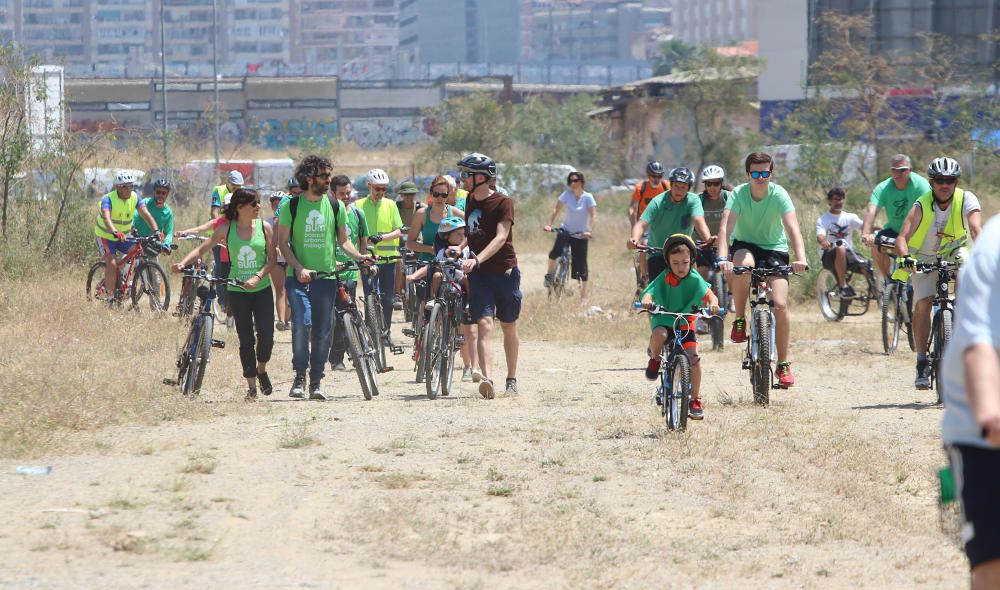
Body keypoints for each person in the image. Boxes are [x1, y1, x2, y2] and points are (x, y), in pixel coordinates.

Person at [278, 155, 371, 401]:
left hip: (327, 278)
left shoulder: (335, 206)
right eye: (324, 176)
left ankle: (316, 382)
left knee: (321, 332)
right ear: (309, 178)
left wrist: (360, 256)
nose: (328, 180)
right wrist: (298, 268)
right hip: (298, 278)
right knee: (303, 324)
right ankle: (299, 377)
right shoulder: (292, 206)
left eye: (329, 175)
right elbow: (283, 244)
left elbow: (344, 240)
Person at [940, 213, 1000, 589]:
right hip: (984, 439)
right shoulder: (993, 247)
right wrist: (991, 417)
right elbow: (979, 344)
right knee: (992, 567)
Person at [172, 188, 276, 401]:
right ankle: (252, 387)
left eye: (258, 203)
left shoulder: (265, 228)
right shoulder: (226, 230)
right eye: (254, 204)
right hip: (237, 290)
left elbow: (272, 260)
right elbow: (202, 249)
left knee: (266, 336)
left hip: (262, 289)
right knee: (245, 339)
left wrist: (257, 277)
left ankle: (262, 369)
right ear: (240, 208)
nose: (259, 207)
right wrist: (183, 263)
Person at [717, 152, 809, 388]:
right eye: (755, 173)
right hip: (745, 245)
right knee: (743, 267)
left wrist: (800, 257)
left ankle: (783, 364)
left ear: (771, 173)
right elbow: (726, 228)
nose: (760, 177)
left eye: (765, 173)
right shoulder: (738, 194)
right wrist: (722, 257)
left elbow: (793, 229)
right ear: (748, 174)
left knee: (779, 304)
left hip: (774, 249)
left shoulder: (779, 194)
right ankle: (739, 318)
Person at [892, 157, 983, 390]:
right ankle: (922, 360)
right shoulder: (921, 204)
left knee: (967, 267)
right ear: (931, 182)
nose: (945, 185)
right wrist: (904, 257)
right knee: (924, 303)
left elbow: (975, 229)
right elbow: (902, 238)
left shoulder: (966, 199)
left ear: (956, 181)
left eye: (950, 180)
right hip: (923, 256)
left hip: (955, 251)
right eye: (940, 180)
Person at [458, 152, 520, 398]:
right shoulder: (469, 201)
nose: (462, 179)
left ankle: (512, 378)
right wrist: (460, 248)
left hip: (504, 273)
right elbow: (472, 234)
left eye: (466, 175)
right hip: (480, 275)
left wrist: (477, 258)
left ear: (481, 177)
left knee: (508, 326)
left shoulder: (503, 202)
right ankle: (488, 378)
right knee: (484, 324)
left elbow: (501, 236)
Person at [640, 234, 720, 420]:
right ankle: (655, 359)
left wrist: (713, 303)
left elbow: (710, 295)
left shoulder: (695, 278)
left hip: (684, 324)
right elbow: (649, 292)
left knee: (694, 359)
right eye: (675, 263)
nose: (680, 267)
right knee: (658, 334)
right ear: (668, 261)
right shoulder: (663, 277)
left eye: (684, 262)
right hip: (664, 320)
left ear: (691, 260)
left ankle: (695, 399)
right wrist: (646, 300)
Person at [408, 176, 473, 378]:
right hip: (428, 263)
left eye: (444, 194)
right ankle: (421, 351)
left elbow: (472, 230)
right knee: (423, 313)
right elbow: (410, 242)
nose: (439, 198)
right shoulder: (421, 214)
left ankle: (467, 365)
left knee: (457, 314)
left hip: (453, 266)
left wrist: (459, 248)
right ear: (430, 194)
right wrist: (434, 249)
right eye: (436, 194)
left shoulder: (456, 214)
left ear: (449, 195)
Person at [627, 166, 711, 285]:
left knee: (692, 287)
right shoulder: (658, 201)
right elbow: (641, 224)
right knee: (656, 290)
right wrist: (634, 240)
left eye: (683, 187)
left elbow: (699, 221)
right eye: (676, 186)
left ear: (688, 189)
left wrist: (708, 239)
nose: (679, 191)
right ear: (671, 185)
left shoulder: (693, 200)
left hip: (683, 253)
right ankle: (644, 283)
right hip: (658, 253)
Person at [860, 154, 932, 284]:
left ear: (910, 169)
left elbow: (930, 211)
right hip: (894, 232)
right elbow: (871, 211)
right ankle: (888, 281)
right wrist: (866, 233)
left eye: (903, 170)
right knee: (877, 244)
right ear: (891, 171)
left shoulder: (921, 185)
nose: (898, 174)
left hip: (917, 233)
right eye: (894, 170)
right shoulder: (883, 188)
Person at [355, 168, 405, 345]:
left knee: (388, 299)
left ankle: (386, 333)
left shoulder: (390, 205)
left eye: (384, 189)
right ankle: (371, 333)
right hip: (368, 259)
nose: (381, 192)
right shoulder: (358, 205)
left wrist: (382, 237)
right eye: (377, 189)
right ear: (369, 186)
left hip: (389, 259)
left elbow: (399, 230)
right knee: (370, 297)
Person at [94, 172, 161, 300]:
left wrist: (156, 231)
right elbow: (106, 218)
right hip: (106, 236)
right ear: (118, 187)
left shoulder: (135, 197)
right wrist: (115, 232)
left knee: (137, 251)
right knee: (112, 263)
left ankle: (125, 282)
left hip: (124, 236)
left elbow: (146, 214)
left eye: (131, 186)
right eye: (125, 186)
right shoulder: (108, 199)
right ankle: (109, 297)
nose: (129, 189)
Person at [329, 174, 369, 372]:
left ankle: (345, 354)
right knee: (334, 319)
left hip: (350, 272)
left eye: (348, 193)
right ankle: (335, 356)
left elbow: (362, 240)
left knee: (347, 314)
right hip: (329, 272)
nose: (346, 197)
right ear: (332, 193)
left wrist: (363, 258)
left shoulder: (357, 214)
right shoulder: (327, 213)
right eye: (341, 194)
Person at [543, 171, 597, 299]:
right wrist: (549, 224)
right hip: (565, 230)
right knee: (554, 253)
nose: (573, 183)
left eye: (576, 180)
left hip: (580, 234)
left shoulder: (588, 197)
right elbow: (556, 209)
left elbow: (594, 216)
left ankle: (583, 297)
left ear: (581, 182)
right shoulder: (567, 194)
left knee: (581, 266)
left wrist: (590, 231)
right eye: (571, 181)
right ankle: (549, 276)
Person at [405, 216, 472, 313]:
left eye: (463, 234)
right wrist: (414, 275)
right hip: (445, 277)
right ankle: (432, 299)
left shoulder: (466, 249)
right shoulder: (442, 251)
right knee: (436, 275)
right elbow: (430, 266)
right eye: (458, 234)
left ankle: (470, 302)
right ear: (446, 236)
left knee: (467, 279)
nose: (462, 237)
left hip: (459, 277)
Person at [815, 187, 870, 296]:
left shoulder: (850, 217)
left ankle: (875, 292)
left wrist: (877, 230)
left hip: (847, 253)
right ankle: (843, 285)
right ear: (829, 201)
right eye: (836, 199)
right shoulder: (823, 219)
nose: (839, 202)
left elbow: (865, 227)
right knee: (840, 248)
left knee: (866, 265)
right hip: (829, 254)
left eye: (841, 199)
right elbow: (820, 235)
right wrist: (823, 242)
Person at [628, 161, 670, 286]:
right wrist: (633, 228)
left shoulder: (666, 186)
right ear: (648, 175)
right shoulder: (641, 188)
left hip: (663, 225)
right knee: (644, 247)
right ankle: (645, 278)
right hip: (645, 224)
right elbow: (632, 207)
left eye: (659, 176)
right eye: (653, 176)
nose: (656, 179)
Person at [209, 171, 244, 316]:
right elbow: (214, 212)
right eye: (235, 187)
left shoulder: (243, 193)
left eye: (239, 187)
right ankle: (222, 300)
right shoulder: (219, 190)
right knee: (220, 267)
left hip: (236, 234)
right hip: (220, 234)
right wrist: (220, 233)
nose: (237, 189)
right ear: (229, 183)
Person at [696, 164, 733, 279]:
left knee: (731, 270)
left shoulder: (730, 197)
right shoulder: (698, 200)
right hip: (704, 244)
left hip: (727, 243)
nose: (712, 187)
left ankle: (730, 295)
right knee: (701, 274)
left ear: (721, 183)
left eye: (716, 183)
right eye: (709, 184)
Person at [394, 179, 422, 305]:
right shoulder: (396, 207)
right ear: (401, 195)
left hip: (417, 241)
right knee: (398, 263)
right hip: (399, 241)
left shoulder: (421, 207)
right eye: (406, 195)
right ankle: (397, 294)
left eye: (412, 195)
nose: (409, 197)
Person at [268, 191, 291, 331]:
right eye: (275, 205)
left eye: (280, 205)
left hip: (290, 258)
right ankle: (281, 321)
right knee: (280, 289)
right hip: (276, 260)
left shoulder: (291, 220)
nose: (277, 207)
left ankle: (288, 319)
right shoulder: (267, 222)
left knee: (290, 288)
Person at [132, 178, 175, 249]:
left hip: (152, 246)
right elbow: (134, 217)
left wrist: (167, 243)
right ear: (154, 192)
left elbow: (169, 233)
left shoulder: (168, 212)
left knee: (152, 260)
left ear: (167, 194)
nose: (160, 195)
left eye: (163, 193)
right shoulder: (145, 203)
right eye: (158, 192)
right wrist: (131, 227)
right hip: (135, 242)